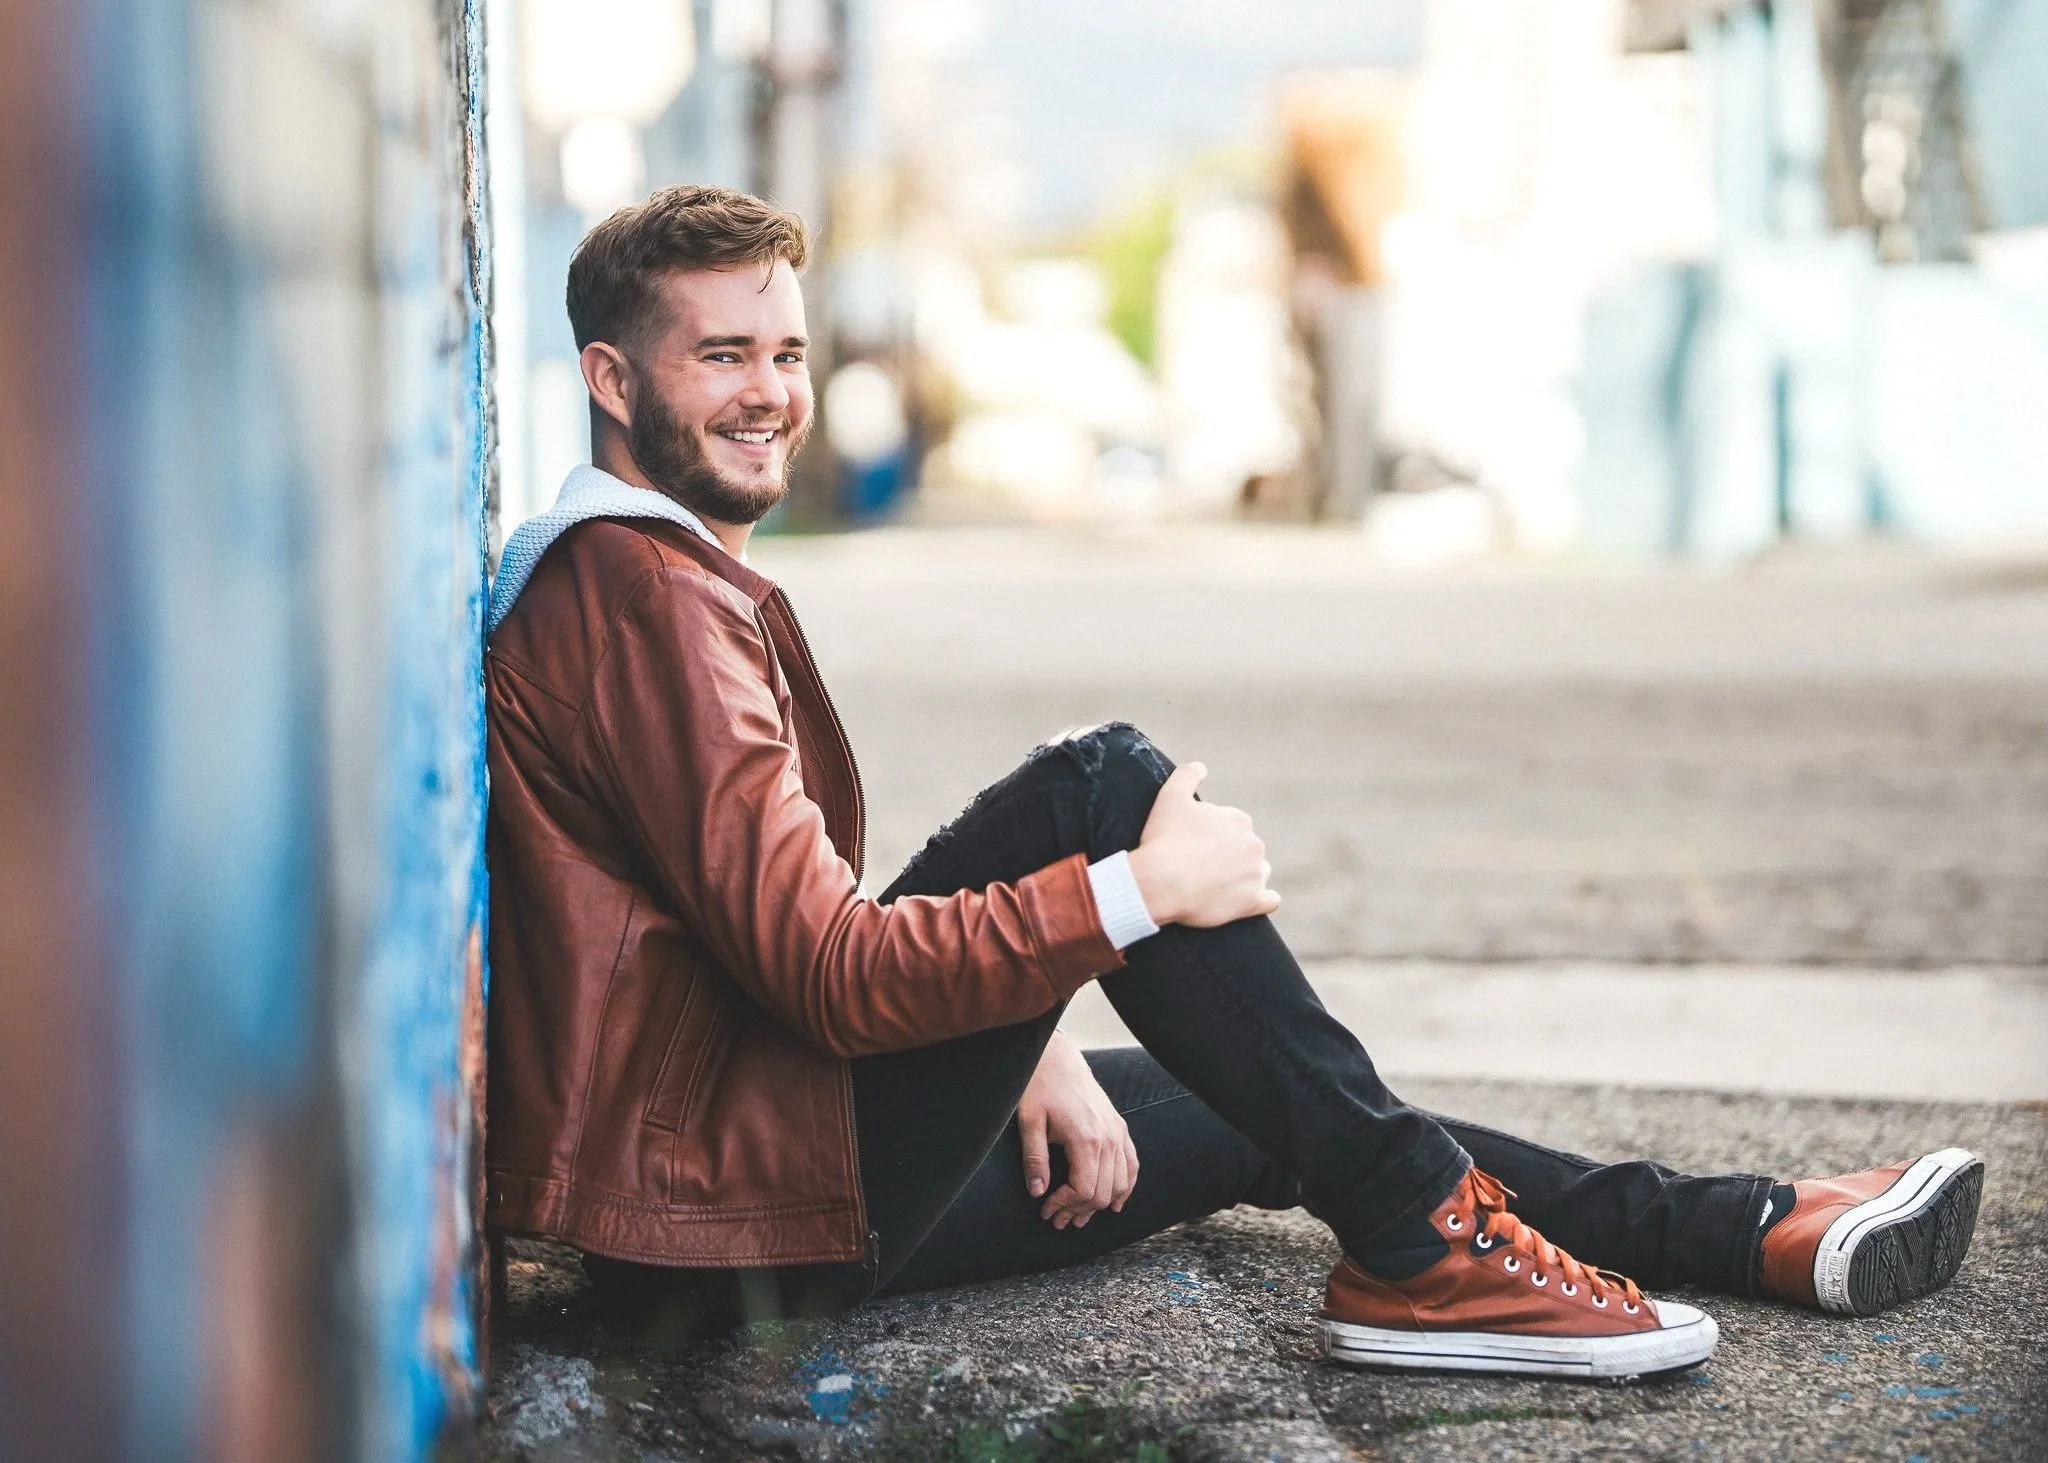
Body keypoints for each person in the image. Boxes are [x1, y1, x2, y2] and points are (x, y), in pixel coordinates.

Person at [481, 186, 1983, 1381]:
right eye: (722, 355)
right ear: (613, 380)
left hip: (736, 1175)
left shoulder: (640, 579)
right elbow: (825, 974)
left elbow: (767, 929)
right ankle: (1434, 1252)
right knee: (1104, 788)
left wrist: (1020, 1036)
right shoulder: (641, 594)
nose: (771, 394)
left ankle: (1746, 1227)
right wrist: (1133, 899)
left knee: (1292, 1099)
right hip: (727, 1219)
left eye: (788, 352)